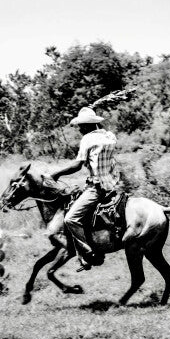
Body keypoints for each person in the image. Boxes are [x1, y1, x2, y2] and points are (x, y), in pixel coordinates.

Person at [50, 107, 120, 270]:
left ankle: (89, 253)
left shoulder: (88, 139)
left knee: (71, 219)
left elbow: (77, 165)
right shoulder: (110, 136)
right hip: (112, 184)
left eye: (81, 126)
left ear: (88, 126)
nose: (80, 129)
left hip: (97, 187)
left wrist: (57, 174)